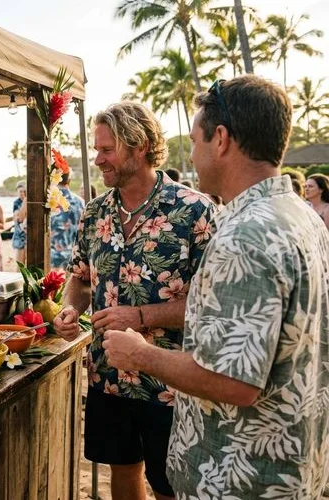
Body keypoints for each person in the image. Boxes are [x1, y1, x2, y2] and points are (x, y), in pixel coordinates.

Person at [102, 76, 329, 498]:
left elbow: (234, 381)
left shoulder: (247, 233)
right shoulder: (301, 216)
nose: (191, 154)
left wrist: (141, 353)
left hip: (239, 478)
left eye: (194, 141)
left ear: (220, 139)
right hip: (291, 468)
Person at [52, 102, 216, 500]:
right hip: (106, 377)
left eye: (106, 150)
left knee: (169, 487)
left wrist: (140, 315)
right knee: (122, 475)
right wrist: (70, 309)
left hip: (170, 383)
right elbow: (79, 278)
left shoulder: (195, 210)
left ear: (139, 146)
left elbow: (210, 305)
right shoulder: (94, 212)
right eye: (97, 149)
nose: (98, 159)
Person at [49, 173, 85, 271]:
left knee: (53, 285)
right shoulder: (80, 202)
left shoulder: (49, 200)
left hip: (52, 257)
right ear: (69, 181)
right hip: (73, 256)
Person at [11, 181, 27, 264]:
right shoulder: (16, 203)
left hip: (28, 235)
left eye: (24, 191)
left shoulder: (29, 201)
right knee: (20, 263)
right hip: (19, 235)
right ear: (17, 192)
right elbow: (18, 218)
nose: (22, 193)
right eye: (20, 191)